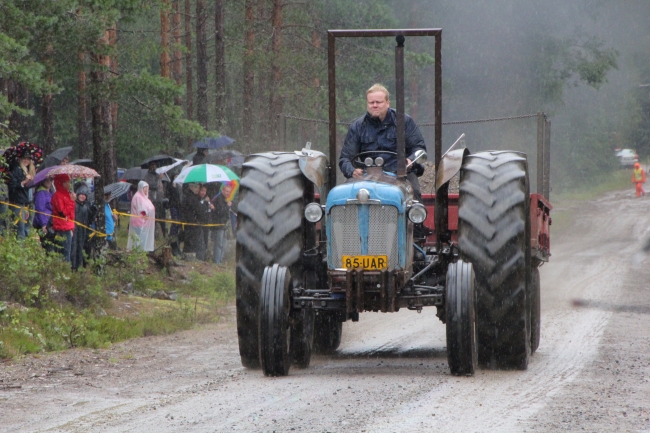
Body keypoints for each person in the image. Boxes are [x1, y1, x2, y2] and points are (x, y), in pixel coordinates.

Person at [338, 83, 427, 202]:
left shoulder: (404, 122)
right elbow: (345, 158)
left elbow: (419, 148)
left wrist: (410, 160)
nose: (375, 105)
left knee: (414, 196)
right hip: (366, 176)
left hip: (399, 173)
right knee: (343, 197)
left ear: (387, 103)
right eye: (371, 102)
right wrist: (352, 171)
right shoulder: (357, 127)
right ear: (367, 104)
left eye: (378, 102)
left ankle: (415, 220)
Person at [7, 154, 34, 239]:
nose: (26, 161)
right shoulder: (16, 170)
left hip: (26, 203)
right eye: (24, 159)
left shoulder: (28, 171)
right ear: (20, 159)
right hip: (17, 203)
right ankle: (19, 248)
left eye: (28, 159)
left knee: (27, 229)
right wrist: (24, 182)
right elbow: (12, 186)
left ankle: (24, 249)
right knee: (20, 229)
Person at [50, 174, 76, 262]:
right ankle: (64, 272)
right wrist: (72, 202)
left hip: (68, 226)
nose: (69, 184)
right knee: (64, 253)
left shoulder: (68, 194)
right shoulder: (57, 195)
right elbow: (63, 212)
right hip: (62, 227)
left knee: (67, 252)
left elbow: (71, 213)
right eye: (66, 182)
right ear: (61, 183)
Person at [70, 184, 96, 270]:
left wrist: (93, 212)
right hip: (75, 230)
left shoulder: (86, 207)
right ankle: (73, 266)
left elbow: (89, 220)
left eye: (84, 195)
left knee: (82, 248)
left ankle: (80, 265)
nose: (82, 196)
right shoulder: (74, 205)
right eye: (80, 194)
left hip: (83, 231)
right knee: (74, 248)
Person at [127, 181, 156, 252]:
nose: (146, 189)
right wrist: (145, 215)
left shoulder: (144, 197)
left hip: (144, 222)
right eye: (144, 187)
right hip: (139, 223)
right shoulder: (138, 197)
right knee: (140, 240)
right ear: (140, 188)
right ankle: (139, 254)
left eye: (147, 187)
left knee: (142, 239)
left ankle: (141, 253)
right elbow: (141, 210)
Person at [211, 183, 233, 265]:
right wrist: (227, 206)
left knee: (224, 244)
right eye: (226, 191)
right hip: (218, 224)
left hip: (224, 224)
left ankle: (220, 260)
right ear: (222, 190)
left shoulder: (225, 199)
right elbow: (219, 212)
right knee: (219, 243)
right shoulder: (219, 198)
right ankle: (217, 261)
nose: (228, 193)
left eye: (229, 192)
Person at [180, 183, 204, 259]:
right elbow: (199, 211)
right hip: (193, 223)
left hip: (190, 223)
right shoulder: (192, 198)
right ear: (191, 187)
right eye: (196, 187)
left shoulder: (188, 196)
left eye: (198, 187)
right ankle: (195, 258)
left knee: (189, 243)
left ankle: (188, 256)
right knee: (194, 243)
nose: (197, 189)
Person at [143, 161, 166, 237]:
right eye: (152, 165)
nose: (154, 167)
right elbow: (151, 185)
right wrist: (157, 179)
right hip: (151, 200)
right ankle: (153, 234)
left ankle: (163, 233)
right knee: (153, 218)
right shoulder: (147, 176)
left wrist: (161, 179)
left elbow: (161, 187)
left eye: (155, 165)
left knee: (162, 217)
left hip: (159, 200)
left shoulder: (157, 175)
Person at [33, 178, 54, 251]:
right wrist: (43, 225)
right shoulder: (40, 193)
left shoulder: (51, 192)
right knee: (47, 245)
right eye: (46, 180)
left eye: (50, 180)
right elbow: (39, 210)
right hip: (43, 223)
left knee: (51, 245)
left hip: (50, 222)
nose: (49, 182)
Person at [167, 173, 183, 256]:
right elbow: (169, 194)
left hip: (179, 205)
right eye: (175, 176)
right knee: (175, 221)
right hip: (173, 205)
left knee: (178, 222)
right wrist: (173, 187)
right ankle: (172, 234)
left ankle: (176, 235)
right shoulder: (171, 184)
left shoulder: (180, 185)